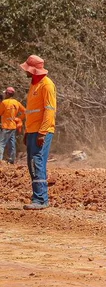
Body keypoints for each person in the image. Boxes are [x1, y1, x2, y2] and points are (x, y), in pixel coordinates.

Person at [21, 55, 56, 210]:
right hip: (32, 131)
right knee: (32, 164)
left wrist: (42, 132)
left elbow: (49, 111)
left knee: (37, 162)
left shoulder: (46, 85)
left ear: (33, 70)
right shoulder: (34, 84)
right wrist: (27, 132)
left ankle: (41, 199)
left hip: (42, 131)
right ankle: (38, 197)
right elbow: (32, 111)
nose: (25, 72)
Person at [0, 87, 25, 164]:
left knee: (1, 143)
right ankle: (12, 160)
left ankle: (0, 160)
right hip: (13, 126)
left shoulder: (4, 103)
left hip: (5, 126)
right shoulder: (16, 102)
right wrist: (18, 118)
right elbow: (25, 111)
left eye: (5, 93)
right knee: (12, 144)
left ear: (7, 94)